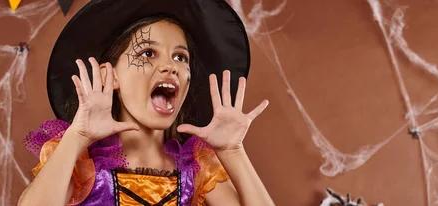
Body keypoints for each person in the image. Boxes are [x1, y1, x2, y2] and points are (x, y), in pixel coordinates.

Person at [18, 0, 274, 205]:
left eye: (180, 57)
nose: (170, 66)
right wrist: (77, 136)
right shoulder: (80, 162)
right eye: (148, 53)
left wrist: (233, 153)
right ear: (111, 75)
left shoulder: (197, 168)